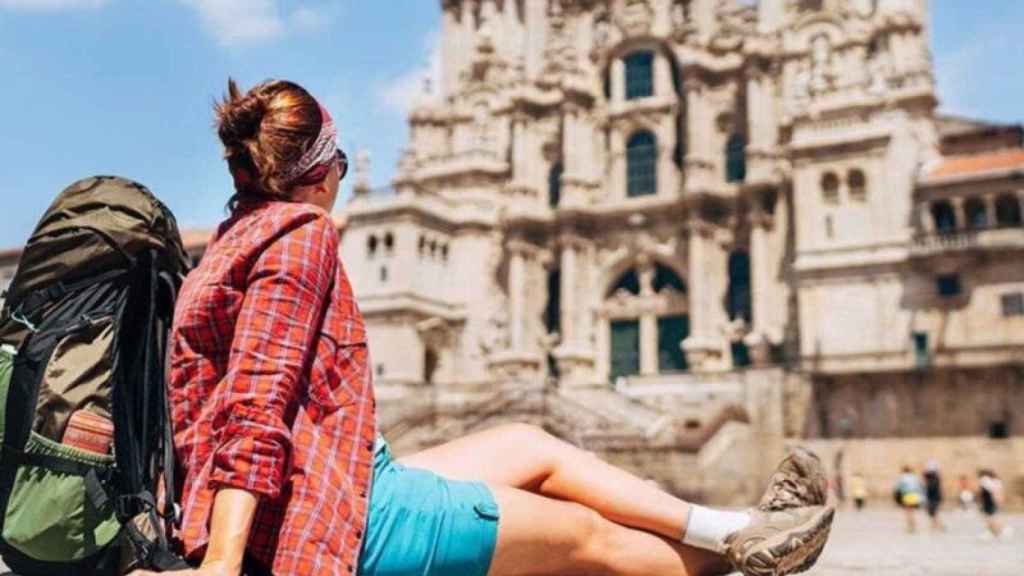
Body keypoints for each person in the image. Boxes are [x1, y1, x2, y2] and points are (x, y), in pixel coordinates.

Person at [132, 78, 835, 576]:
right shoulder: (300, 236)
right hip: (336, 516)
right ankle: (743, 555)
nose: (342, 180)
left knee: (530, 444)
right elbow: (256, 406)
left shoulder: (227, 244)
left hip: (351, 476)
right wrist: (223, 562)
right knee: (589, 539)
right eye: (339, 164)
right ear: (318, 173)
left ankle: (736, 527)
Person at [978, 469, 1013, 540]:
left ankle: (999, 531)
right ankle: (994, 532)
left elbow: (994, 491)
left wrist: (997, 500)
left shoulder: (985, 480)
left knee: (990, 518)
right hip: (990, 501)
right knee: (991, 517)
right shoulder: (994, 481)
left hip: (989, 502)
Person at [895, 465, 924, 533]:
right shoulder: (915, 477)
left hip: (907, 495)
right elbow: (920, 486)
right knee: (912, 511)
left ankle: (910, 527)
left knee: (908, 511)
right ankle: (913, 525)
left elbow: (898, 487)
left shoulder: (902, 477)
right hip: (915, 495)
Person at [922, 460, 946, 531]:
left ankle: (938, 526)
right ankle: (936, 526)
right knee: (933, 513)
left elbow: (930, 489)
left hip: (933, 498)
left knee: (933, 513)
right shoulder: (935, 478)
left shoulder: (933, 480)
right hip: (934, 498)